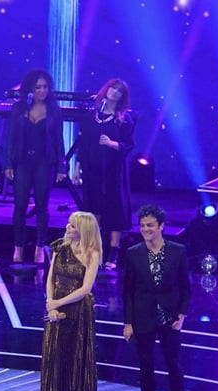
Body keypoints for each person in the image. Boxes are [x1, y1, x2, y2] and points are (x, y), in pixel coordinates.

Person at [3, 212, 109, 391]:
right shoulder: (60, 247)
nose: (67, 228)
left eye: (72, 226)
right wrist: (51, 302)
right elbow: (50, 278)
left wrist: (59, 302)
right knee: (54, 356)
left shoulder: (93, 253)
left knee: (76, 357)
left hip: (79, 312)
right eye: (68, 225)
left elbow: (86, 289)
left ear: (84, 230)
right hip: (55, 311)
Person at [123, 204, 197, 391]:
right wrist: (127, 322)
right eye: (143, 225)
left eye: (150, 225)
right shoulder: (133, 253)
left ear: (161, 226)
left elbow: (186, 287)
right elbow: (127, 291)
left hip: (170, 318)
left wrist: (182, 314)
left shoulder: (178, 251)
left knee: (174, 366)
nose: (145, 229)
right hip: (142, 317)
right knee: (146, 367)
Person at [4, 68, 67, 265]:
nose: (42, 90)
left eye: (45, 87)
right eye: (38, 87)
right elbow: (11, 139)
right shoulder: (20, 108)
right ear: (30, 89)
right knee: (20, 206)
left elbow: (58, 140)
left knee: (42, 206)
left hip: (44, 163)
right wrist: (8, 163)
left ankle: (40, 248)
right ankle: (18, 247)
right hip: (22, 162)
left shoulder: (54, 111)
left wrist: (61, 167)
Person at [71, 78, 135, 269]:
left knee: (115, 207)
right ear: (105, 90)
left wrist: (112, 144)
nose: (114, 93)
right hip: (92, 169)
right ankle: (95, 251)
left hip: (114, 171)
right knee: (94, 208)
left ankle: (113, 253)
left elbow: (129, 145)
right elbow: (83, 144)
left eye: (119, 91)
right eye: (112, 88)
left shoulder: (124, 119)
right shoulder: (92, 116)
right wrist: (77, 168)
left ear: (122, 97)